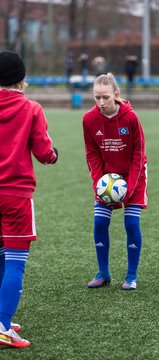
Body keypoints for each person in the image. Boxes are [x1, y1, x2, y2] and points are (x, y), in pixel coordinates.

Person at [0, 50, 58, 348]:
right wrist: (53, 155)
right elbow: (43, 152)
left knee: (0, 256)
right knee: (15, 262)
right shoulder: (31, 108)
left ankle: (1, 318)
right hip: (16, 195)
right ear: (22, 80)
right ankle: (2, 327)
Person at [82, 73, 148, 290]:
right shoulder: (89, 119)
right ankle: (103, 273)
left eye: (106, 98)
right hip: (107, 178)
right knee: (100, 222)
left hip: (133, 175)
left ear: (116, 95)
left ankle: (131, 276)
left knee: (131, 223)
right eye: (97, 97)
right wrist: (98, 184)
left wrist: (129, 188)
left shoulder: (131, 118)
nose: (101, 103)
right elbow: (92, 155)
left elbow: (139, 155)